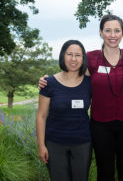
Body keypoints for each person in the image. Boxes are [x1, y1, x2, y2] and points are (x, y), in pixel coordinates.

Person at [38, 14, 123, 181]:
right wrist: (46, 80)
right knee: (104, 172)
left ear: (122, 33)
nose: (112, 35)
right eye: (108, 30)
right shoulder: (91, 59)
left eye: (117, 30)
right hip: (101, 127)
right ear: (101, 33)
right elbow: (71, 74)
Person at [36, 39, 92, 181]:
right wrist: (41, 145)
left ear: (83, 58)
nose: (73, 59)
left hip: (83, 143)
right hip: (55, 144)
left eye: (78, 55)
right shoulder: (49, 83)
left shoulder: (89, 83)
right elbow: (41, 116)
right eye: (69, 54)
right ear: (63, 56)